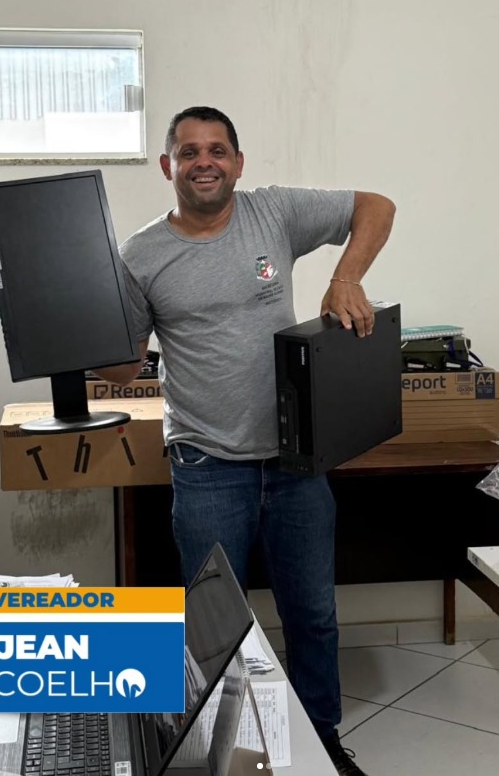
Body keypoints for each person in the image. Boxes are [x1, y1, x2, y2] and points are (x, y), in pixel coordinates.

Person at [98, 106, 395, 776]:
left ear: (237, 162)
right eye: (189, 151)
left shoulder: (273, 213)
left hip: (296, 463)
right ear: (168, 166)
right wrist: (78, 328)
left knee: (312, 615)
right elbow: (122, 366)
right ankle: (215, 750)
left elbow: (376, 206)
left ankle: (321, 742)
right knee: (214, 630)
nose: (204, 162)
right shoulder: (141, 256)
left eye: (217, 150)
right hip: (206, 466)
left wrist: (345, 277)